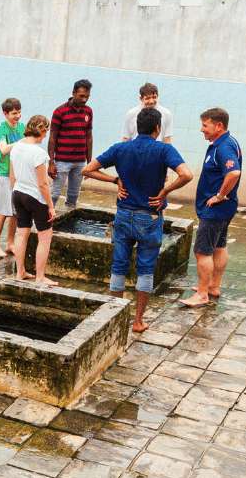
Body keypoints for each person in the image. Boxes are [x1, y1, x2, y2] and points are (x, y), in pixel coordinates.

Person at [82, 106, 192, 334]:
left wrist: (115, 181)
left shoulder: (120, 148)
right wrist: (164, 192)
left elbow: (88, 170)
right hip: (149, 217)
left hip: (123, 214)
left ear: (136, 127)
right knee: (145, 269)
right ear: (157, 128)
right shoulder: (164, 150)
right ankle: (138, 321)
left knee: (119, 266)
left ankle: (114, 318)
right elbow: (186, 175)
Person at [183, 107, 243, 308]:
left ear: (219, 126)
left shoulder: (223, 146)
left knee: (202, 251)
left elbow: (233, 173)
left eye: (205, 125)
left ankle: (201, 294)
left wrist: (220, 195)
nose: (202, 130)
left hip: (216, 209)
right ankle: (213, 286)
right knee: (219, 246)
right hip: (225, 208)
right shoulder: (227, 142)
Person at [8, 115, 56, 285]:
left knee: (21, 234)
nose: (45, 136)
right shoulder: (39, 153)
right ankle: (40, 277)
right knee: (45, 237)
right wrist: (51, 206)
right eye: (46, 132)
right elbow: (43, 183)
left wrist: (14, 191)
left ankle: (20, 272)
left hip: (18, 193)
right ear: (41, 130)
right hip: (35, 197)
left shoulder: (16, 147)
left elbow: (12, 176)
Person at [46, 79, 93, 209]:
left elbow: (89, 137)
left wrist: (90, 163)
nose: (84, 99)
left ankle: (68, 222)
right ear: (73, 93)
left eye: (87, 96)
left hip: (80, 162)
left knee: (73, 196)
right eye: (81, 96)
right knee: (54, 194)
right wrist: (51, 162)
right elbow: (52, 138)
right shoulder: (60, 111)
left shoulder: (88, 111)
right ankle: (44, 223)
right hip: (62, 161)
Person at [0, 98, 22, 258]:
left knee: (15, 211)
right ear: (5, 113)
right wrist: (23, 142)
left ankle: (10, 243)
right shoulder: (1, 130)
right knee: (3, 210)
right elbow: (3, 150)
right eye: (14, 113)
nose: (18, 116)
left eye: (19, 112)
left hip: (18, 174)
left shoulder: (21, 127)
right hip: (4, 173)